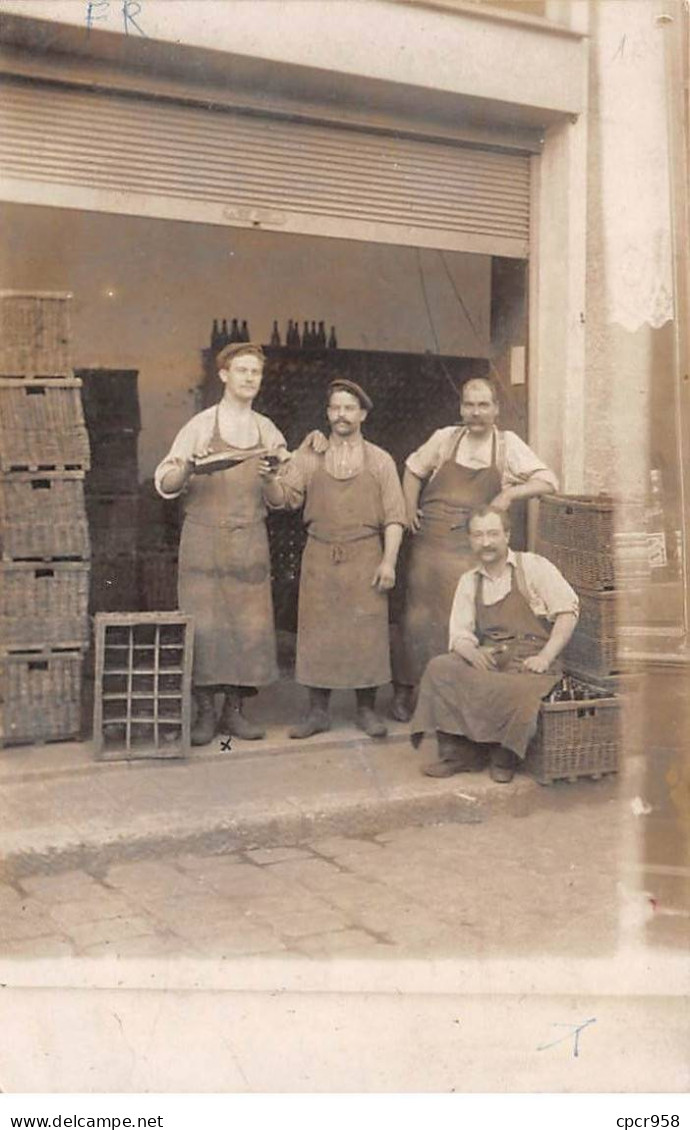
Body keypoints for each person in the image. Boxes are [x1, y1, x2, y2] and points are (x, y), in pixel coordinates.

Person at [392, 376, 558, 722]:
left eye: (483, 405)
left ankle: (452, 698)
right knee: (418, 620)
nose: (476, 412)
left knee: (464, 623)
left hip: (473, 546)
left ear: (496, 409)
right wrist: (409, 508)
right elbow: (411, 469)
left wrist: (510, 494)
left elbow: (548, 480)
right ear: (461, 408)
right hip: (430, 545)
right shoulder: (445, 438)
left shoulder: (507, 444)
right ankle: (407, 692)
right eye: (469, 404)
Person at [154, 342, 288, 745]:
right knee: (206, 627)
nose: (249, 378)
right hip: (204, 539)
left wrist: (270, 476)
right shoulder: (199, 426)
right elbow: (164, 484)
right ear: (224, 375)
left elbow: (280, 500)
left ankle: (235, 711)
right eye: (242, 370)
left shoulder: (267, 429)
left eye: (256, 372)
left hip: (249, 537)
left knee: (248, 628)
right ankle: (205, 714)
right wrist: (189, 466)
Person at [261, 379, 406, 739]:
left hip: (365, 556)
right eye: (335, 408)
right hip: (320, 555)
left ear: (363, 414)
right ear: (328, 413)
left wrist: (388, 562)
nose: (342, 415)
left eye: (349, 408)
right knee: (317, 632)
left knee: (367, 633)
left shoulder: (380, 460)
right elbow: (284, 500)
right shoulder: (310, 454)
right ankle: (317, 713)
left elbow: (395, 517)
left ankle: (367, 711)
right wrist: (268, 480)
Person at [410, 505, 579, 783]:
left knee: (514, 686)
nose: (485, 542)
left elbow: (568, 612)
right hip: (493, 656)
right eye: (478, 535)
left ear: (507, 535)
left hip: (532, 659)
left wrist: (545, 657)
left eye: (492, 534)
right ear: (470, 540)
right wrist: (471, 652)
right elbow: (460, 633)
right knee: (440, 668)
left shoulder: (532, 567)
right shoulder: (470, 581)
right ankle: (460, 753)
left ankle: (505, 755)